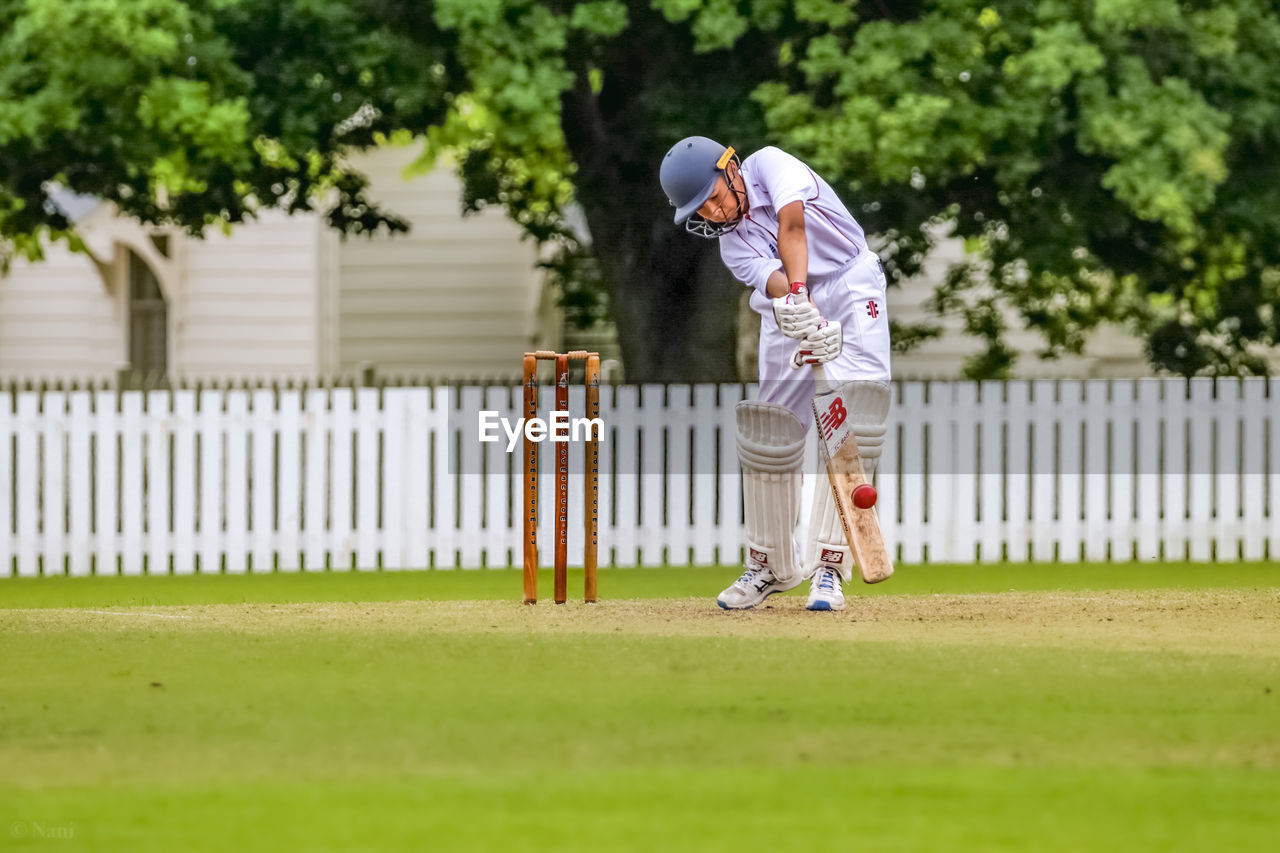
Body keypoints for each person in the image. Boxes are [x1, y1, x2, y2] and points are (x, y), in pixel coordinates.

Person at [659, 136, 892, 611]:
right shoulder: (733, 247)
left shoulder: (772, 166)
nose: (715, 213)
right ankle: (770, 564)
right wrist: (798, 307)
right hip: (789, 303)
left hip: (849, 283)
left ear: (731, 168)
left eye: (715, 196)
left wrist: (810, 300)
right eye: (702, 210)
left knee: (858, 414)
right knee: (771, 428)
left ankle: (828, 566)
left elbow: (793, 226)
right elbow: (775, 280)